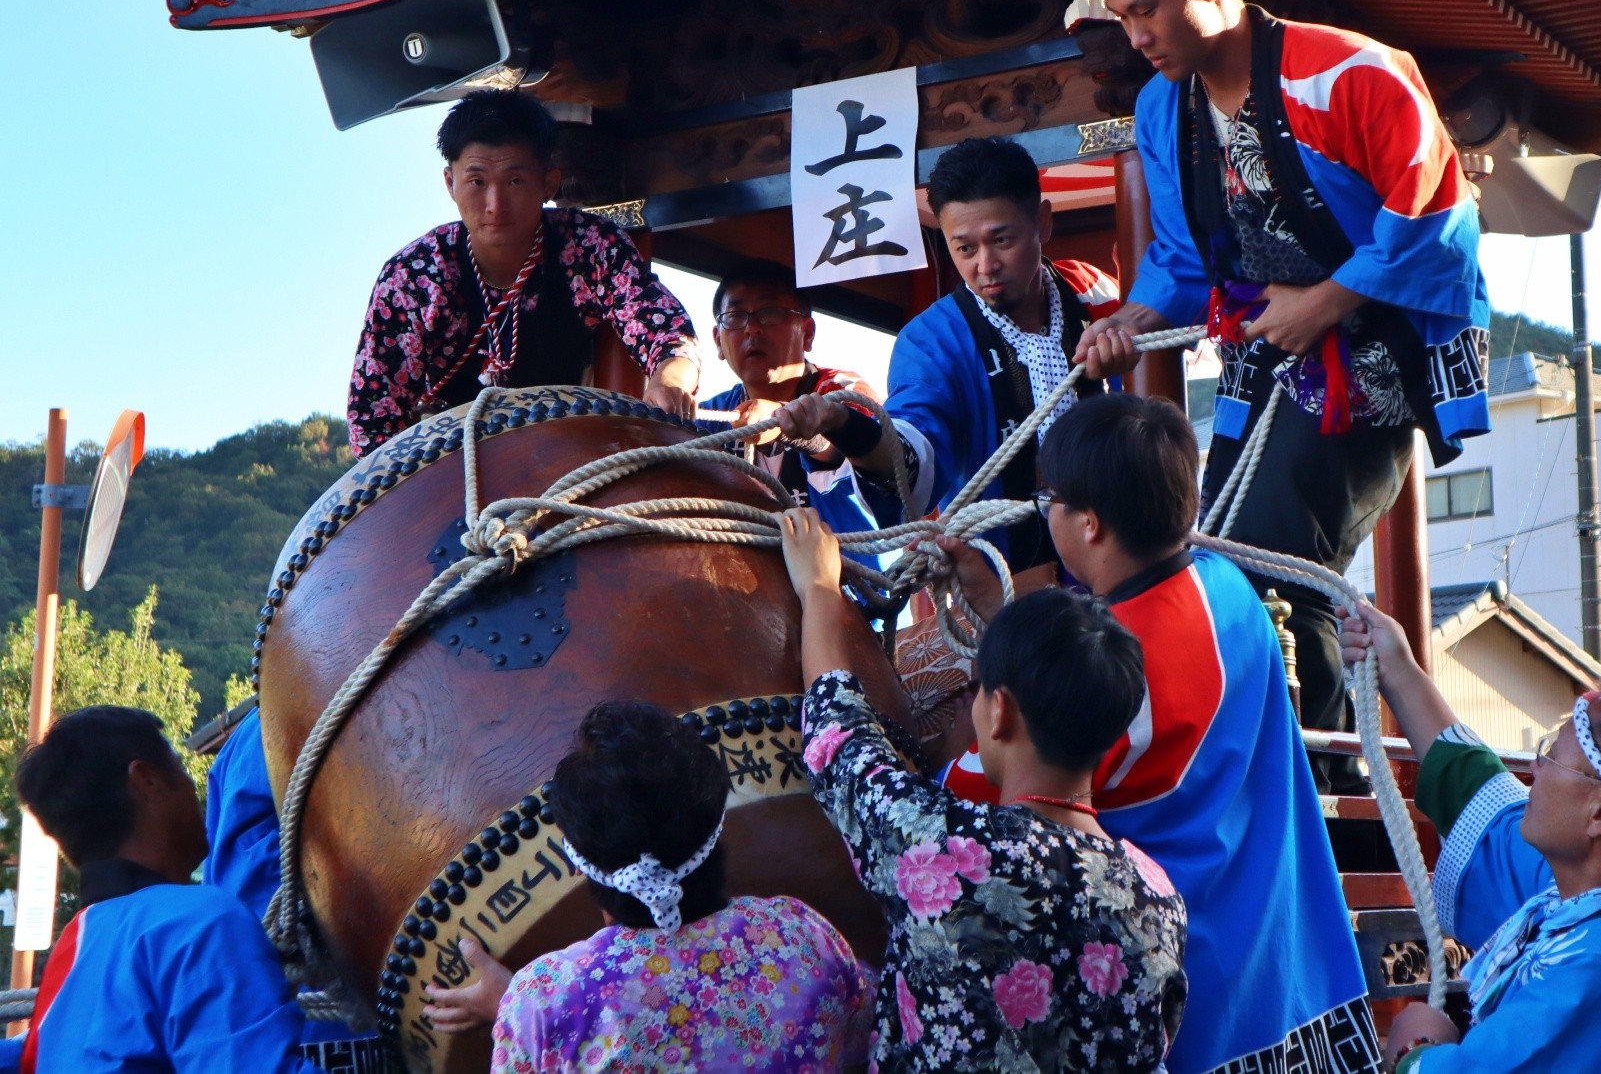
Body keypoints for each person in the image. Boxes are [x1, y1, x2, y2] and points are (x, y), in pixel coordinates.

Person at [1074, 0, 1489, 790]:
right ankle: (1290, 774)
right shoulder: (1162, 110)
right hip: (1264, 349)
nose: (1136, 36)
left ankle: (1324, 787)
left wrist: (1324, 303)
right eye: (1123, 16)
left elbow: (1437, 217)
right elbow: (1180, 259)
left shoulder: (1351, 71)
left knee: (1274, 560)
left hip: (1373, 355)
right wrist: (1127, 324)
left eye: (1146, 9)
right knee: (1215, 549)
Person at [939, 392, 1381, 1072]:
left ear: (1089, 523)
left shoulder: (1123, 669)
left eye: (1049, 499)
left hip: (1196, 1012)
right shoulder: (1230, 588)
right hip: (1297, 976)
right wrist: (1000, 611)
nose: (1044, 511)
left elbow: (969, 788)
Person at [778, 507, 1188, 1071]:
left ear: (999, 712)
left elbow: (839, 738)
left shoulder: (941, 849)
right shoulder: (1160, 900)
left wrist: (819, 589)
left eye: (979, 690)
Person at [1337, 602, 1601, 1073]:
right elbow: (1481, 800)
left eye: (1550, 755)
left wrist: (1413, 1049)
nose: (1533, 769)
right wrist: (1399, 671)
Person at [429, 699, 873, 1070]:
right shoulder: (800, 932)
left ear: (580, 866)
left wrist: (516, 1013)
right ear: (718, 834)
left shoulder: (541, 1003)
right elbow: (863, 1033)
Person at [775, 136, 1125, 572]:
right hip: (1003, 583)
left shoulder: (1095, 294)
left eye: (1002, 240)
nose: (986, 265)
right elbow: (911, 469)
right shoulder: (931, 342)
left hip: (1122, 556)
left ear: (1042, 223)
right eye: (965, 248)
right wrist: (843, 423)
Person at [347, 90, 701, 456]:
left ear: (549, 183)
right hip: (452, 465)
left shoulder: (590, 246)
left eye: (515, 181)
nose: (495, 205)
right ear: (450, 183)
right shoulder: (413, 277)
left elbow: (668, 334)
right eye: (477, 182)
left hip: (577, 452)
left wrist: (670, 380)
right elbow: (373, 422)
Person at [15, 706, 322, 1073]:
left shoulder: (74, 947)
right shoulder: (199, 923)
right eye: (179, 767)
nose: (193, 786)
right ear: (146, 780)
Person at [203, 704, 393, 1069]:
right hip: (311, 1017)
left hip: (359, 1014)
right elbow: (254, 891)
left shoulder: (263, 733)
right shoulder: (275, 729)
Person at [699, 258, 889, 549]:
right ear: (717, 341)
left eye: (770, 313)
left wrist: (783, 425)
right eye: (735, 316)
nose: (752, 329)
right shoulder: (710, 417)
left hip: (852, 571)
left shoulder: (844, 391)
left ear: (807, 332)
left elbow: (855, 449)